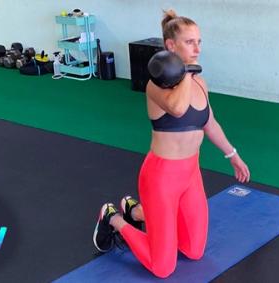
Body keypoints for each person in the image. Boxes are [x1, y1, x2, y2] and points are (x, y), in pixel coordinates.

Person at [93, 9, 250, 278]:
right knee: (163, 267)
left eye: (199, 42)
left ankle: (136, 211)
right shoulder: (156, 86)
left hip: (191, 175)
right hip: (161, 177)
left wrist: (232, 154)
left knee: (194, 250)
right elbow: (177, 109)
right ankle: (113, 218)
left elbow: (210, 123)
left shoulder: (200, 82)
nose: (197, 49)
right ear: (170, 46)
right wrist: (187, 72)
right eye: (190, 42)